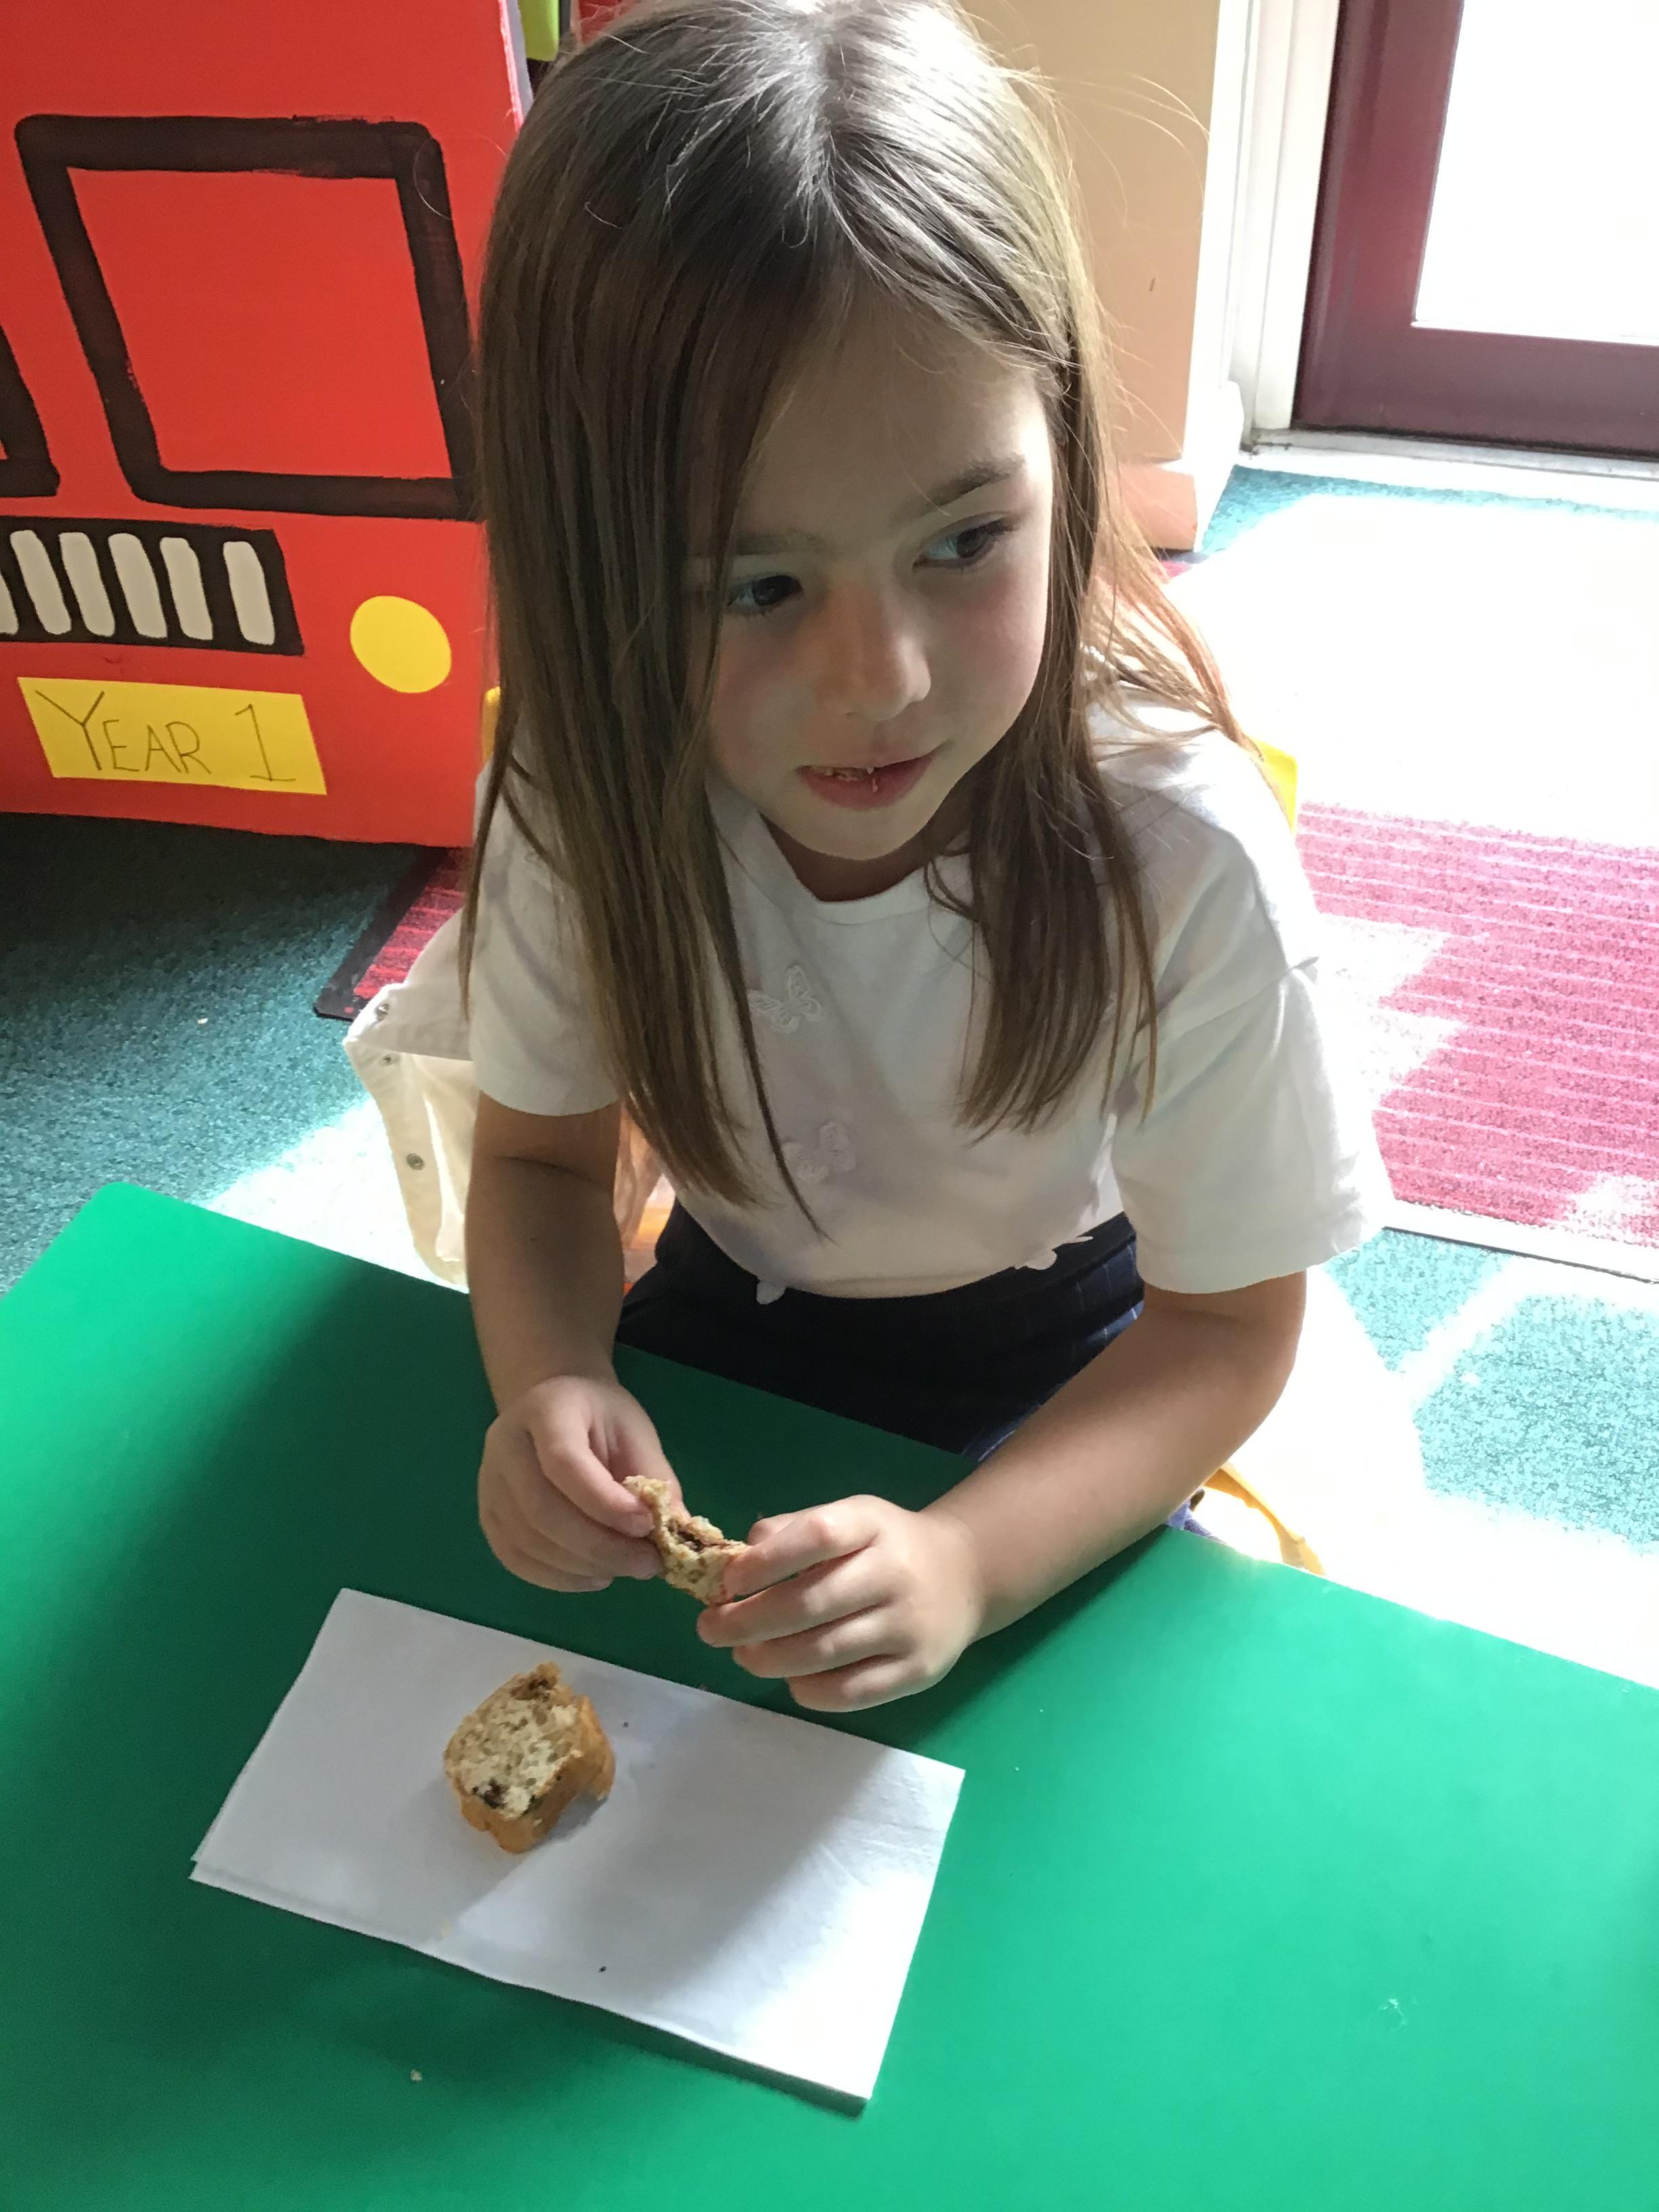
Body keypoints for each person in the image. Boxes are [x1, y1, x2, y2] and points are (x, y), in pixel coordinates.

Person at [348, 0, 1389, 1715]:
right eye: (757, 584)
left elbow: (1227, 1329)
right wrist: (549, 1378)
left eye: (964, 541)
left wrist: (972, 1560)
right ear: (592, 566)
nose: (881, 681)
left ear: (1063, 450)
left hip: (1082, 1350)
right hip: (728, 1302)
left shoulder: (1179, 853)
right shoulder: (585, 789)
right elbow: (539, 1166)